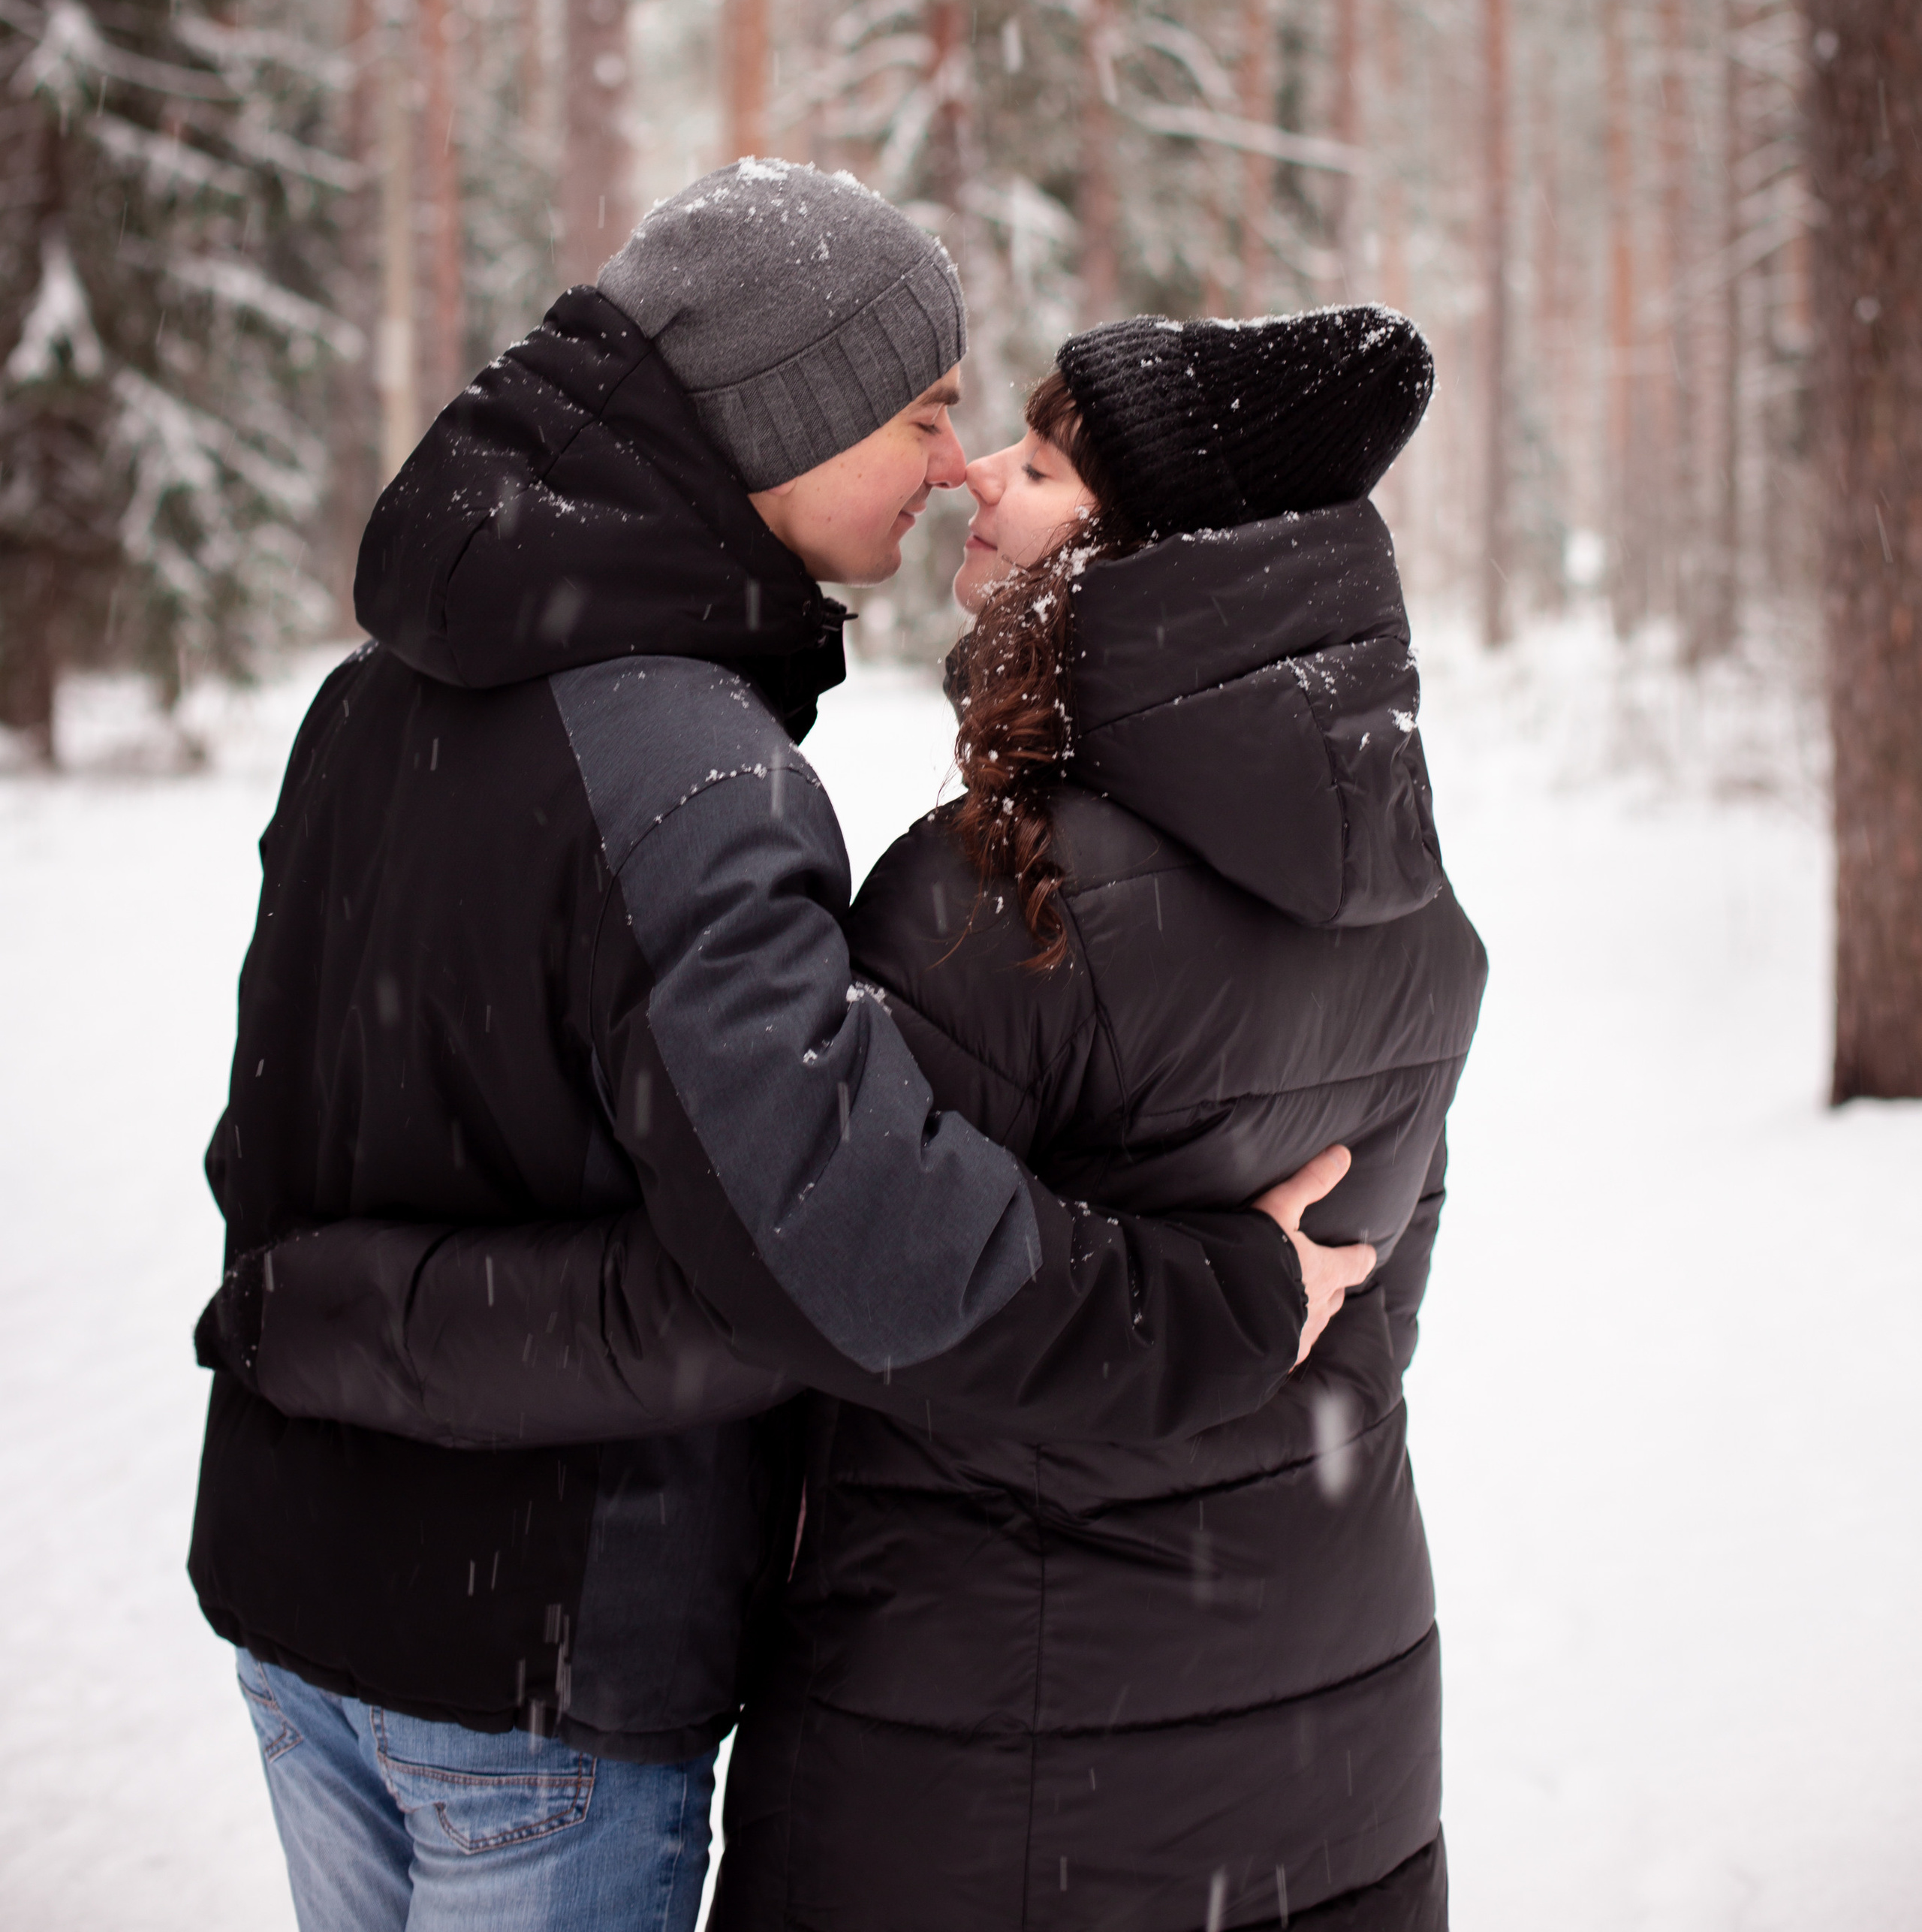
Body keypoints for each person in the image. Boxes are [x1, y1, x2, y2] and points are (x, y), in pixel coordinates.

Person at [209, 294, 1485, 1932]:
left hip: (996, 1756)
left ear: (1144, 557)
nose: (976, 482)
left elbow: (785, 1293)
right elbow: (1357, 1310)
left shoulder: (999, 912)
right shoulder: (1417, 919)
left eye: (1036, 465)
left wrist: (343, 1319)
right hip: (1325, 1724)